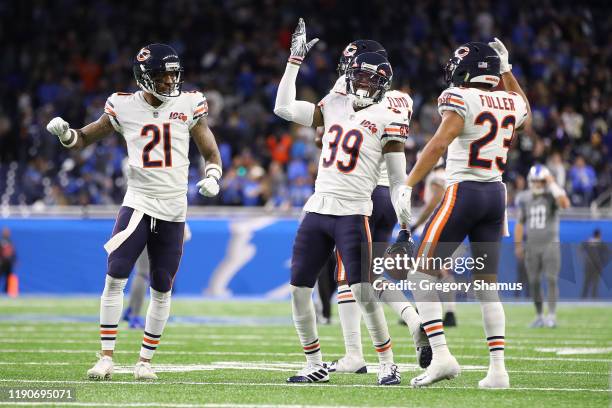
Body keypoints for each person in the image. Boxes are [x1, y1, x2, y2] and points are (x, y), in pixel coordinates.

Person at [46, 43, 222, 380]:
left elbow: (211, 153)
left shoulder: (189, 104)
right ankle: (106, 357)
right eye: (163, 75)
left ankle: (145, 362)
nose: (171, 81)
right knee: (115, 276)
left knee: (162, 285)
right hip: (139, 203)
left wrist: (213, 177)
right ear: (145, 77)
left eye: (174, 74)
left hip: (173, 208)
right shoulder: (123, 106)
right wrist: (67, 135)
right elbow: (83, 138)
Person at [274, 19, 413, 385]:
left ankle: (387, 363)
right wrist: (293, 61)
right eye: (359, 76)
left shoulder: (388, 117)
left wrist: (406, 224)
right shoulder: (334, 102)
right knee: (299, 290)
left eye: (370, 79)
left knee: (365, 291)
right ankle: (314, 362)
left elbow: (399, 181)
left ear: (382, 82)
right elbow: (284, 109)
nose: (362, 83)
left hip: (354, 213)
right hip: (317, 210)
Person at [395, 38, 530, 389]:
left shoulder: (461, 97)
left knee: (420, 277)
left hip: (464, 192)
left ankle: (441, 357)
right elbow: (524, 110)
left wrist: (408, 183)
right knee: (487, 288)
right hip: (496, 195)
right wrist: (508, 70)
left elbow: (439, 143)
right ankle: (498, 371)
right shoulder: (509, 100)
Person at [312, 39, 430, 375]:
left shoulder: (350, 91)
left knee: (347, 277)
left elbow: (328, 137)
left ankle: (354, 354)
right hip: (390, 196)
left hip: (357, 192)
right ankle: (411, 318)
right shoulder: (401, 99)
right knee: (369, 275)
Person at [515, 165, 570, 328]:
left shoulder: (552, 196)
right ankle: (539, 316)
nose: (538, 184)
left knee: (552, 279)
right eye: (535, 181)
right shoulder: (525, 197)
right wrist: (518, 244)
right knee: (534, 282)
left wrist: (552, 184)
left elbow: (565, 204)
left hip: (550, 244)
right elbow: (520, 223)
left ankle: (551, 316)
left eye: (541, 181)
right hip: (531, 245)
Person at [411, 157, 458, 327]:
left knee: (431, 270)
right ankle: (425, 309)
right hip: (451, 225)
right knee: (434, 270)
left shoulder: (436, 177)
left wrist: (417, 223)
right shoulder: (449, 174)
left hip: (438, 226)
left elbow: (434, 201)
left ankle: (447, 313)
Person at [123, 224, 192, 329]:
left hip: (143, 225)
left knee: (142, 273)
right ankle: (134, 316)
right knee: (143, 274)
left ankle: (131, 310)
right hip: (154, 226)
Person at [581, 229, 609, 298]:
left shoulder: (588, 242)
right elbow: (607, 253)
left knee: (587, 283)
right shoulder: (601, 243)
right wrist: (603, 262)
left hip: (589, 265)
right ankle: (593, 299)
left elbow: (581, 249)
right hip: (596, 265)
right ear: (599, 235)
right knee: (595, 283)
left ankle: (583, 299)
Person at [0, 228, 16, 295]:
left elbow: (13, 252)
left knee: (8, 278)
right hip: (2, 262)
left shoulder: (10, 242)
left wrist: (14, 260)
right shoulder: (1, 241)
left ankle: (7, 292)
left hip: (8, 263)